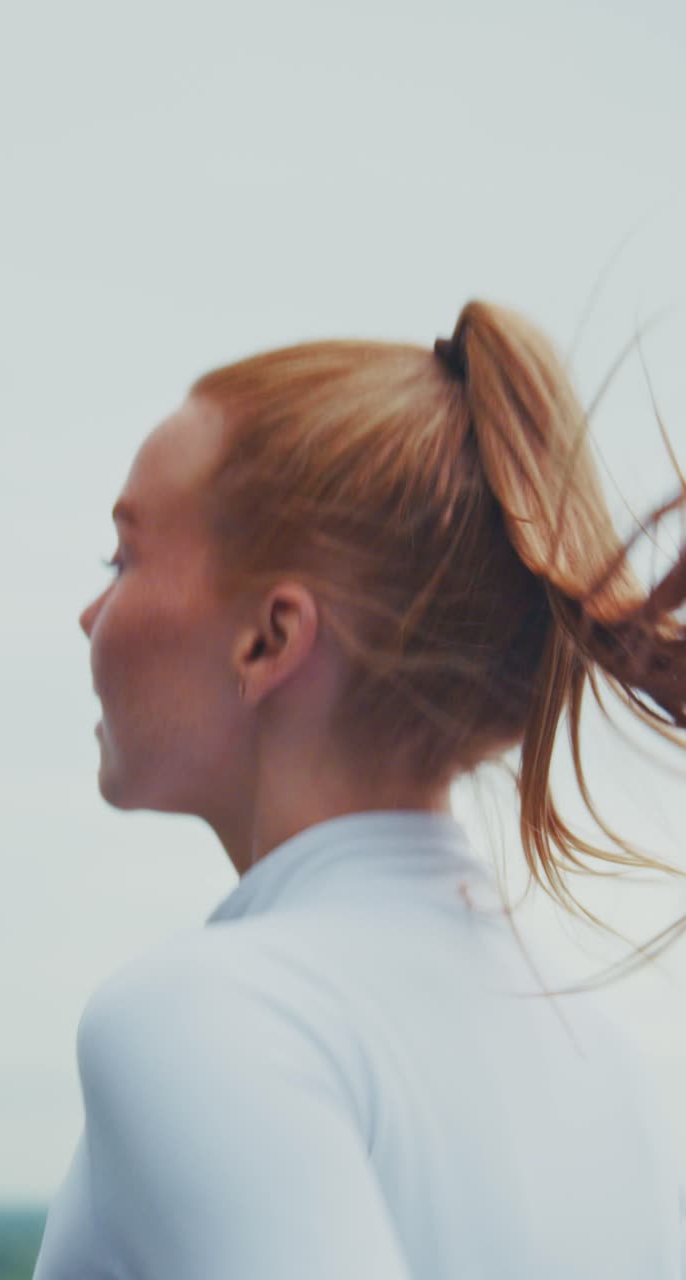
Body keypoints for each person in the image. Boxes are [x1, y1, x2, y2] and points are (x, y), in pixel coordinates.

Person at [33, 300, 686, 1278]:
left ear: (271, 637)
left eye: (123, 555)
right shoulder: (616, 1072)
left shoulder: (206, 1013)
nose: (90, 613)